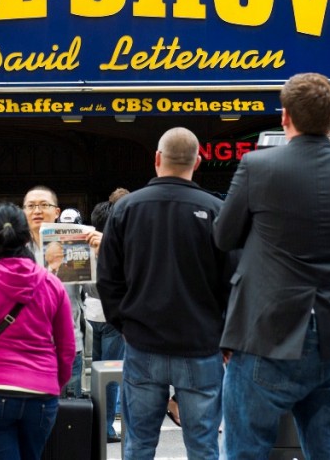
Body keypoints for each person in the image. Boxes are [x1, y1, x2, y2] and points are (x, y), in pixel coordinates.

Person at [215, 72, 330, 460]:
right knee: (328, 451)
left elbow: (223, 238)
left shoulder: (257, 166)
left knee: (244, 450)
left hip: (266, 327)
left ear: (285, 115)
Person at [97, 128, 228, 460]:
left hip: (143, 344)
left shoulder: (126, 210)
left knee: (139, 444)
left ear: (157, 159)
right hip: (201, 345)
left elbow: (108, 280)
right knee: (203, 445)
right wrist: (225, 335)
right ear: (198, 161)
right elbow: (234, 281)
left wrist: (125, 326)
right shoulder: (215, 210)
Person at [0, 203, 75, 459]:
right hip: (41, 392)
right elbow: (67, 348)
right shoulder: (52, 284)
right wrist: (54, 381)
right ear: (28, 238)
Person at [22, 185, 85, 396]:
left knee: (70, 418)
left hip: (68, 346)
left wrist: (98, 258)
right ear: (23, 212)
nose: (37, 211)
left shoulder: (75, 244)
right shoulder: (15, 249)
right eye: (31, 206)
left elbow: (95, 293)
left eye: (44, 205)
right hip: (26, 348)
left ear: (57, 212)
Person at [84, 191, 128, 443]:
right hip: (113, 316)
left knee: (94, 373)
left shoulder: (83, 243)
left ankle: (97, 425)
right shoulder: (119, 244)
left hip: (90, 314)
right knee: (110, 376)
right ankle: (107, 426)